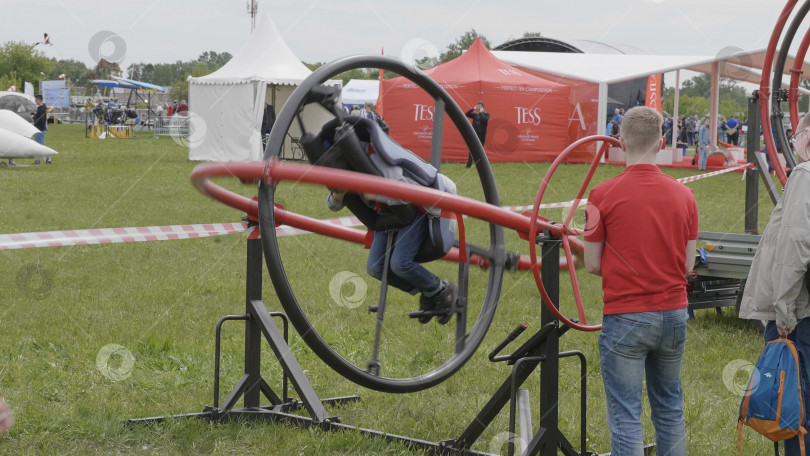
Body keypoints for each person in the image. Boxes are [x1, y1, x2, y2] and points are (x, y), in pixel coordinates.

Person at [584, 106, 698, 456]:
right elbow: (688, 265)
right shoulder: (685, 196)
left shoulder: (600, 196)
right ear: (662, 143)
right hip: (674, 314)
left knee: (626, 416)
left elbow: (591, 264)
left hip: (625, 318)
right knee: (669, 408)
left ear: (619, 141)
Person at [739, 112, 810, 456]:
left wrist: (783, 311)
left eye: (793, 136)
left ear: (806, 137)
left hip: (800, 314)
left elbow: (794, 247)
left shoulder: (805, 174)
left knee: (795, 402)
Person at [323, 150, 457, 324]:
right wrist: (338, 195)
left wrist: (376, 194)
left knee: (400, 264)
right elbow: (333, 204)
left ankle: (441, 290)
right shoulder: (344, 166)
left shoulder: (381, 161)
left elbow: (404, 191)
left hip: (414, 211)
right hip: (386, 216)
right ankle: (430, 291)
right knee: (375, 267)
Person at [465, 101, 489, 168]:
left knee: (480, 150)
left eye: (480, 106)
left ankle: (481, 165)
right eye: (478, 106)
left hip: (482, 135)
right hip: (474, 135)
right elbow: (466, 114)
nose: (478, 107)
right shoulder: (475, 115)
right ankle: (469, 165)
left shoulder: (486, 114)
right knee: (472, 150)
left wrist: (481, 111)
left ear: (483, 107)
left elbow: (484, 119)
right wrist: (473, 108)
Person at [32, 94, 51, 165]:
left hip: (40, 129)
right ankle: (38, 159)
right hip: (37, 129)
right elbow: (38, 117)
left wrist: (33, 117)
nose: (35, 101)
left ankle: (48, 159)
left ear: (39, 100)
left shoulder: (42, 109)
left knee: (41, 146)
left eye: (36, 100)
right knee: (37, 145)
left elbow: (41, 120)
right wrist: (34, 115)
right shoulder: (39, 108)